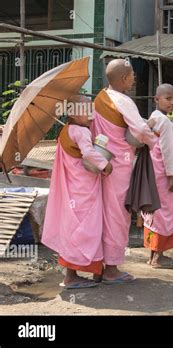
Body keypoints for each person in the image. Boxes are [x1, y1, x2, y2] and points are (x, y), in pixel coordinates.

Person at [91, 58, 157, 284]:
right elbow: (139, 129)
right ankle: (111, 269)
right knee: (118, 215)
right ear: (124, 78)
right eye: (132, 76)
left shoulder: (99, 98)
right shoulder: (123, 100)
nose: (135, 79)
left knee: (101, 213)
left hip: (100, 162)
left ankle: (97, 266)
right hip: (119, 165)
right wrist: (154, 140)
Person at [42, 95, 113, 289]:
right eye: (86, 112)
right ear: (73, 113)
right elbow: (89, 154)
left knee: (72, 228)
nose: (91, 116)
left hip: (73, 188)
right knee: (87, 227)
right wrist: (106, 165)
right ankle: (86, 273)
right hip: (83, 190)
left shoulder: (66, 130)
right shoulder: (81, 132)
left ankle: (72, 274)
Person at [142, 83, 173, 269]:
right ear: (156, 99)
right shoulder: (164, 122)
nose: (172, 102)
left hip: (154, 173)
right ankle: (159, 257)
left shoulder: (154, 119)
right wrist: (172, 176)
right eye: (168, 98)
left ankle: (152, 255)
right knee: (165, 213)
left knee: (154, 213)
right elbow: (167, 151)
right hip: (163, 175)